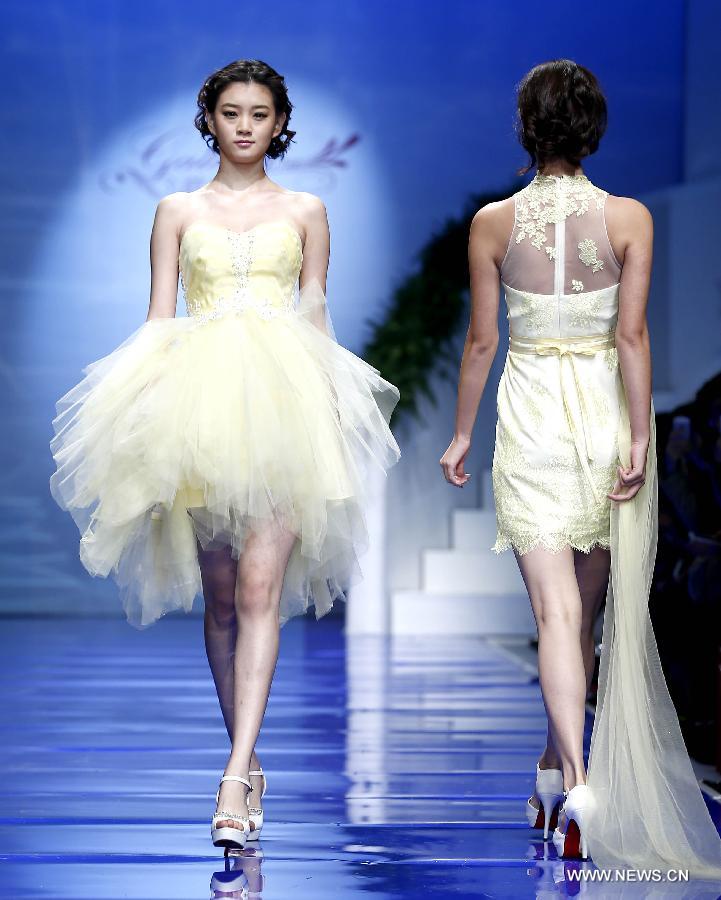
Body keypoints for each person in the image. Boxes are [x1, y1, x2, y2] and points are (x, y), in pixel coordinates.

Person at [49, 58, 400, 852]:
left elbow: (314, 310)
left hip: (282, 409)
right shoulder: (174, 208)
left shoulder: (308, 208)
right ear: (209, 118)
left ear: (281, 123)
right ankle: (246, 755)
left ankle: (235, 772)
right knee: (217, 599)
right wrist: (140, 411)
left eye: (261, 113)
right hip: (198, 409)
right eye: (232, 112)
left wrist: (331, 411)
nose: (246, 125)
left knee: (258, 590)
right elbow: (156, 315)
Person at [440, 59, 721, 876]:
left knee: (556, 618)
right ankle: (557, 771)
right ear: (593, 125)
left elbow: (483, 343)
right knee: (584, 619)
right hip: (600, 421)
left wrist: (461, 436)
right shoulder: (628, 218)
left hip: (529, 423)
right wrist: (640, 435)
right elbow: (632, 338)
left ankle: (577, 783)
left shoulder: (492, 223)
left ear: (524, 126)